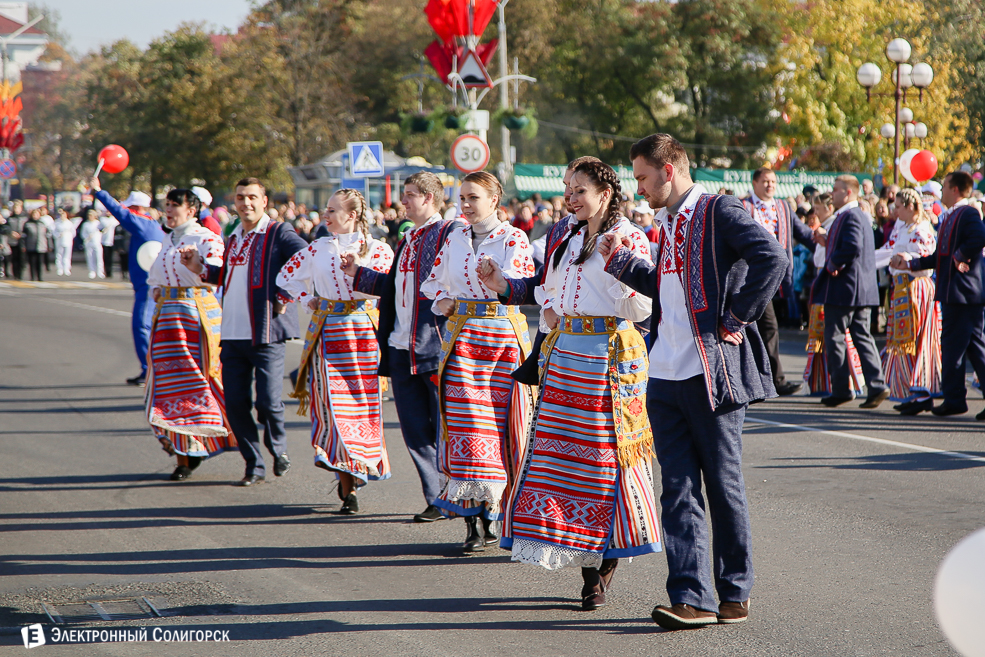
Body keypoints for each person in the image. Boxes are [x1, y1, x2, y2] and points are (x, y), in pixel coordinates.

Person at [597, 133, 786, 629]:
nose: (638, 188)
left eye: (641, 176)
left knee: (722, 487)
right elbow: (668, 287)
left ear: (668, 167)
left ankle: (734, 591)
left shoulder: (718, 209)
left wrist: (736, 319)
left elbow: (774, 259)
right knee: (677, 491)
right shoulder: (666, 221)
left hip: (711, 372)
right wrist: (618, 260)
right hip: (663, 372)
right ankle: (690, 596)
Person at [494, 160, 661, 612]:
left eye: (579, 189)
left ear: (605, 192)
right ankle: (587, 565)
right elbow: (548, 288)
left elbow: (644, 308)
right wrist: (525, 296)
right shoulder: (564, 235)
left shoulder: (627, 236)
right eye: (567, 188)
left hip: (609, 358)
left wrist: (616, 264)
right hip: (564, 355)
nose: (570, 197)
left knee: (607, 462)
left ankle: (602, 571)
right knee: (563, 460)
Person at [419, 171, 535, 553]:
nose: (465, 204)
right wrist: (444, 301)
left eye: (473, 197)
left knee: (503, 431)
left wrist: (497, 280)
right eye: (462, 198)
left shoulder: (513, 237)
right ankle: (473, 521)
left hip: (502, 343)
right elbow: (433, 281)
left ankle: (499, 516)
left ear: (494, 198)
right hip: (463, 342)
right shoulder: (453, 237)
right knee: (466, 429)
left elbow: (521, 283)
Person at [344, 171, 459, 522]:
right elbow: (396, 288)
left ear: (428, 198)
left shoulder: (450, 233)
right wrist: (357, 274)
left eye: (409, 194)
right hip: (399, 347)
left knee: (446, 427)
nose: (403, 201)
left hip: (434, 346)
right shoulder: (407, 238)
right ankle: (436, 496)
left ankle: (460, 497)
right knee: (413, 430)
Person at [182, 177, 308, 486]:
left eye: (252, 197)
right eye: (240, 197)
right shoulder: (234, 234)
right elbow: (227, 275)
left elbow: (305, 258)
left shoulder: (279, 232)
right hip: (233, 333)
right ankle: (254, 464)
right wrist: (200, 267)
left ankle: (278, 449)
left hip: (266, 333)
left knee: (267, 402)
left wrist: (284, 295)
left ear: (265, 201)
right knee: (236, 404)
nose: (245, 203)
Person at [277, 189, 394, 514]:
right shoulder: (318, 248)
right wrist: (306, 299)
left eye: (332, 210)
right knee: (336, 409)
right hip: (328, 334)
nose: (325, 215)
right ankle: (347, 481)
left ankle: (356, 471)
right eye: (325, 209)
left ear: (352, 215)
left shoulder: (377, 249)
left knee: (364, 408)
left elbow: (385, 289)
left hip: (364, 336)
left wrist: (358, 270)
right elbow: (285, 276)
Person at [146, 189, 236, 480]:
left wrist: (198, 265)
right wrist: (158, 288)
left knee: (201, 380)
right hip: (168, 317)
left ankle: (221, 441)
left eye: (176, 205)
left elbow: (218, 274)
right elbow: (157, 276)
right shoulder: (166, 238)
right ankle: (184, 455)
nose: (169, 210)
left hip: (195, 315)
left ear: (193, 210)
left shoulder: (205, 238)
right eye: (167, 205)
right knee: (169, 384)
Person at [892, 171, 985, 418]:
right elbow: (938, 256)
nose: (941, 191)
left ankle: (954, 398)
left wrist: (960, 255)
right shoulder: (949, 215)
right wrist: (910, 264)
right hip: (954, 291)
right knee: (974, 347)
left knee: (955, 346)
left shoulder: (968, 213)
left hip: (963, 292)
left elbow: (979, 237)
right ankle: (954, 397)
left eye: (944, 186)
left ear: (955, 189)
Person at [813, 176, 889, 408]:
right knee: (861, 337)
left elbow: (853, 246)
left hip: (846, 289)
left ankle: (842, 389)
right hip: (858, 289)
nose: (832, 193)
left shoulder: (850, 215)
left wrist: (833, 263)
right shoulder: (854, 215)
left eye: (835, 190)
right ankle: (876, 386)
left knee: (835, 337)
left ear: (847, 193)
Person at [741, 167, 816, 396]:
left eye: (773, 181)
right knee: (768, 327)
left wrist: (825, 244)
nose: (770, 185)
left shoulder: (783, 206)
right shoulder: (743, 206)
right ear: (754, 183)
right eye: (765, 181)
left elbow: (803, 233)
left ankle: (758, 380)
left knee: (760, 329)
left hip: (777, 277)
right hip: (751, 277)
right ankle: (775, 380)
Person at [91, 180, 166, 387]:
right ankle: (152, 370)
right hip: (149, 284)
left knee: (142, 326)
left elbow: (119, 212)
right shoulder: (150, 224)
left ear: (137, 208)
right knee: (149, 327)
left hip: (148, 286)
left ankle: (150, 371)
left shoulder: (142, 223)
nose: (127, 212)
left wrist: (99, 192)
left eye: (130, 207)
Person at [873, 188, 941, 412]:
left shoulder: (922, 229)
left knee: (916, 339)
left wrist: (907, 259)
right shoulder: (901, 228)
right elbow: (888, 251)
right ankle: (911, 392)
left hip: (916, 288)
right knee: (902, 342)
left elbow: (927, 258)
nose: (896, 210)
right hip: (902, 288)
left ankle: (921, 393)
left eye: (899, 206)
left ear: (911, 207)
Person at [804, 193, 864, 396]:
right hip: (823, 278)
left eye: (819, 209)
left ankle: (845, 382)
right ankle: (823, 382)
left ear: (829, 208)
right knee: (823, 335)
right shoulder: (830, 225)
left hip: (831, 281)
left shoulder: (837, 224)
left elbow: (844, 251)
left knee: (835, 335)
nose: (816, 213)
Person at [22, 209, 49, 282]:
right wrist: (23, 245)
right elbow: (23, 236)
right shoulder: (28, 224)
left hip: (41, 246)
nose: (35, 216)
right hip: (31, 245)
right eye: (34, 214)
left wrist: (49, 245)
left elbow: (47, 235)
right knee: (32, 262)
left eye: (37, 214)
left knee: (40, 263)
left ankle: (39, 277)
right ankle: (32, 277)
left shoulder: (42, 224)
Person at [79, 209, 105, 279]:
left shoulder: (98, 223)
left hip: (97, 243)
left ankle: (100, 271)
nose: (90, 217)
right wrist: (87, 237)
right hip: (88, 243)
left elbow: (103, 231)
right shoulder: (86, 224)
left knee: (99, 257)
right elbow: (82, 234)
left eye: (91, 215)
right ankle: (92, 271)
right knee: (90, 257)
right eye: (89, 215)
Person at [6, 200, 27, 280]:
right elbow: (6, 228)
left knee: (21, 258)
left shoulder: (24, 217)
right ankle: (15, 274)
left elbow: (27, 229)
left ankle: (20, 273)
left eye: (18, 208)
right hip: (13, 241)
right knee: (14, 258)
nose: (16, 209)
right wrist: (11, 233)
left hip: (22, 241)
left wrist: (22, 234)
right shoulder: (10, 218)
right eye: (15, 208)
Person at [99, 211, 119, 278]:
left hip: (113, 240)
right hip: (104, 241)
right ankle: (107, 271)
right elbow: (99, 228)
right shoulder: (102, 219)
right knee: (106, 257)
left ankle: (110, 271)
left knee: (111, 257)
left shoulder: (115, 219)